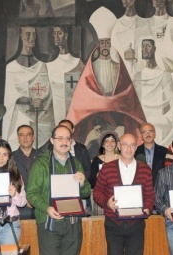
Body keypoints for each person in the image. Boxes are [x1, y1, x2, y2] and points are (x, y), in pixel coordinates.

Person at [27, 125, 91, 255]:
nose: (64, 142)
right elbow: (31, 194)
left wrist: (82, 183)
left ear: (71, 142)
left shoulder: (76, 162)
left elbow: (87, 191)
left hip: (72, 224)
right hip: (49, 224)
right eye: (60, 138)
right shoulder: (42, 164)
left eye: (67, 139)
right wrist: (47, 208)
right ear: (52, 140)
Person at [66, 7, 146, 158]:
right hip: (96, 111)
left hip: (116, 111)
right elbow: (85, 91)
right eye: (102, 43)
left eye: (107, 43)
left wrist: (112, 100)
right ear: (98, 44)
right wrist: (100, 100)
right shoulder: (93, 66)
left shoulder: (117, 66)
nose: (105, 46)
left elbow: (125, 90)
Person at [93, 134, 154, 255]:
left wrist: (148, 208)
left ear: (136, 147)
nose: (128, 148)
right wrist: (106, 202)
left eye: (132, 145)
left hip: (136, 225)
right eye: (125, 144)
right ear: (119, 146)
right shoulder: (108, 168)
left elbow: (150, 195)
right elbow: (97, 192)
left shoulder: (144, 169)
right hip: (114, 225)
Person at [3, 26, 54, 151]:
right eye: (28, 34)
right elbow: (10, 97)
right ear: (21, 36)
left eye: (33, 34)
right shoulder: (12, 67)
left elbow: (47, 91)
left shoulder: (42, 65)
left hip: (40, 116)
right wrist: (29, 100)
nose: (31, 38)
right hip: (19, 117)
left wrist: (40, 100)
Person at [134, 39, 173, 147]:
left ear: (154, 49)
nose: (145, 49)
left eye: (148, 46)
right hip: (142, 120)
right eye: (143, 46)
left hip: (159, 121)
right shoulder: (137, 76)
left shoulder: (164, 74)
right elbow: (135, 103)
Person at [46, 26, 85, 124]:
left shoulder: (77, 63)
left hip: (74, 110)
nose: (56, 36)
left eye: (59, 33)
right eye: (54, 34)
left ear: (66, 36)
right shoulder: (49, 64)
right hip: (55, 110)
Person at [111, 0, 152, 78]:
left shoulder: (144, 23)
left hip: (142, 70)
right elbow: (113, 52)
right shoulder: (118, 24)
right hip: (124, 71)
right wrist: (124, 54)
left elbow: (150, 46)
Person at [12, 125, 38, 219]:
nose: (25, 137)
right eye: (22, 135)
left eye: (28, 134)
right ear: (18, 138)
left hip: (39, 206)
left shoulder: (43, 157)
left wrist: (34, 199)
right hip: (18, 207)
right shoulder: (10, 157)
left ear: (33, 137)